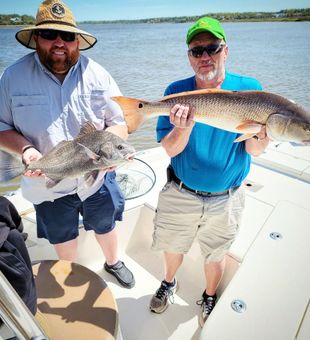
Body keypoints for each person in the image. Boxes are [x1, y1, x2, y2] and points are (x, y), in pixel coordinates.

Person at [0, 0, 135, 289]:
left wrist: (113, 153)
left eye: (68, 36)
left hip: (97, 179)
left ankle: (113, 262)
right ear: (36, 37)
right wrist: (26, 151)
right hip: (46, 184)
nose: (59, 42)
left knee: (106, 224)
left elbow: (120, 122)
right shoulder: (12, 77)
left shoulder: (98, 74)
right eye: (49, 34)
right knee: (63, 236)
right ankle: (71, 273)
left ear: (77, 41)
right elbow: (1, 127)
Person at [149, 17, 269, 325]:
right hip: (180, 192)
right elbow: (170, 149)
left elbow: (254, 150)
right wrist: (183, 129)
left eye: (212, 48)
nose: (205, 57)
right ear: (189, 56)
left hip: (226, 198)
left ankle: (210, 294)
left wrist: (260, 136)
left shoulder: (250, 90)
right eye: (196, 50)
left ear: (225, 50)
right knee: (173, 246)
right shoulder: (176, 91)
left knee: (216, 253)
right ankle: (168, 282)